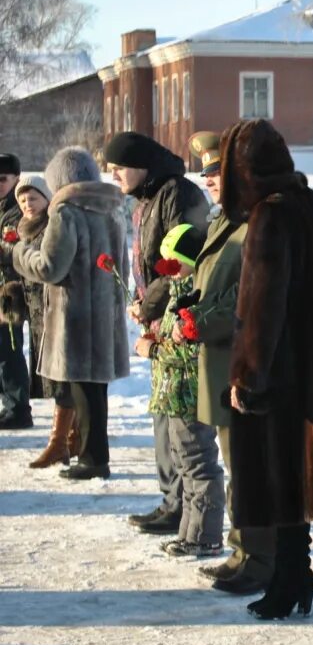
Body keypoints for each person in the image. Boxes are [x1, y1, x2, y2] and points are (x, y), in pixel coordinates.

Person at [222, 119, 313, 620]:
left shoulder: (269, 215)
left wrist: (247, 376)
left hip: (277, 371)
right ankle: (296, 574)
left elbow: (262, 306)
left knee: (278, 478)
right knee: (297, 479)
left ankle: (289, 580)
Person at [183, 130, 276, 594]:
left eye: (216, 172)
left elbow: (250, 300)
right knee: (237, 462)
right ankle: (243, 550)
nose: (209, 181)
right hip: (220, 363)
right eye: (204, 174)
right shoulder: (227, 221)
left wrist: (202, 320)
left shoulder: (256, 223)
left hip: (242, 361)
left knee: (250, 467)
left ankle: (260, 558)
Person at [104, 131, 209, 536]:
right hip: (157, 318)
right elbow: (145, 262)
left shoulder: (177, 194)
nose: (115, 175)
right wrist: (138, 297)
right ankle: (172, 499)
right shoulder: (145, 199)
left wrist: (150, 306)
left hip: (177, 323)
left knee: (176, 414)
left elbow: (178, 262)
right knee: (162, 413)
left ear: (142, 166)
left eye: (120, 168)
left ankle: (183, 504)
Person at [6, 147, 130, 479]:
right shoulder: (112, 209)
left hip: (74, 314)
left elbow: (49, 267)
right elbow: (124, 266)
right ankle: (93, 454)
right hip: (105, 313)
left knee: (82, 389)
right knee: (95, 391)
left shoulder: (66, 212)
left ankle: (92, 460)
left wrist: (19, 253)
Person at [135, 223, 226, 558]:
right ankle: (191, 531)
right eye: (165, 261)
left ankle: (205, 535)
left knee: (198, 464)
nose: (168, 268)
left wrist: (154, 350)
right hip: (173, 394)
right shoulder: (177, 291)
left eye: (175, 261)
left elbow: (191, 348)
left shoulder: (194, 295)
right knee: (184, 465)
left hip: (188, 394)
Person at [3, 175, 70, 464]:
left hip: (54, 305)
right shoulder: (23, 224)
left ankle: (67, 437)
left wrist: (12, 250)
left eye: (33, 199)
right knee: (51, 374)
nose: (28, 205)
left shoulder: (52, 224)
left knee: (62, 374)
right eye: (23, 200)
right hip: (32, 303)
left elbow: (46, 264)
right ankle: (64, 436)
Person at [0, 151, 32, 430]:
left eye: (2, 179)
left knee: (9, 349)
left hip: (9, 291)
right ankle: (9, 402)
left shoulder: (17, 210)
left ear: (16, 180)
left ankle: (18, 407)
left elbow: (14, 250)